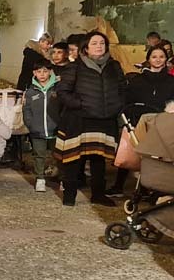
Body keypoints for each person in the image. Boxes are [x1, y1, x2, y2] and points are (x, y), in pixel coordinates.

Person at [54, 31, 125, 207]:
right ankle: (69, 196)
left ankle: (98, 195)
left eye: (102, 43)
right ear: (85, 47)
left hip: (104, 119)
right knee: (72, 160)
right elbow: (63, 91)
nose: (99, 46)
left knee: (98, 160)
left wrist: (116, 105)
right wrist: (79, 103)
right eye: (94, 43)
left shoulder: (114, 66)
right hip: (79, 119)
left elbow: (123, 89)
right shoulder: (75, 67)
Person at [106, 46, 174, 197]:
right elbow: (128, 100)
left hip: (162, 124)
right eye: (154, 56)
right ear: (148, 59)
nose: (157, 59)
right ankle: (118, 186)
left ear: (166, 59)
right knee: (130, 153)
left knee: (157, 158)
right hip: (138, 121)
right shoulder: (137, 80)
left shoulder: (171, 81)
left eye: (161, 56)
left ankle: (153, 188)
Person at [23, 60, 60, 192]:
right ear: (34, 73)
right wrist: (30, 124)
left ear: (50, 72)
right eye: (39, 71)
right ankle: (40, 178)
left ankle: (61, 178)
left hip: (56, 129)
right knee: (39, 155)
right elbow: (26, 110)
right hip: (37, 130)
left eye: (45, 71)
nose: (42, 74)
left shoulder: (57, 89)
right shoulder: (30, 92)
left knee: (59, 155)